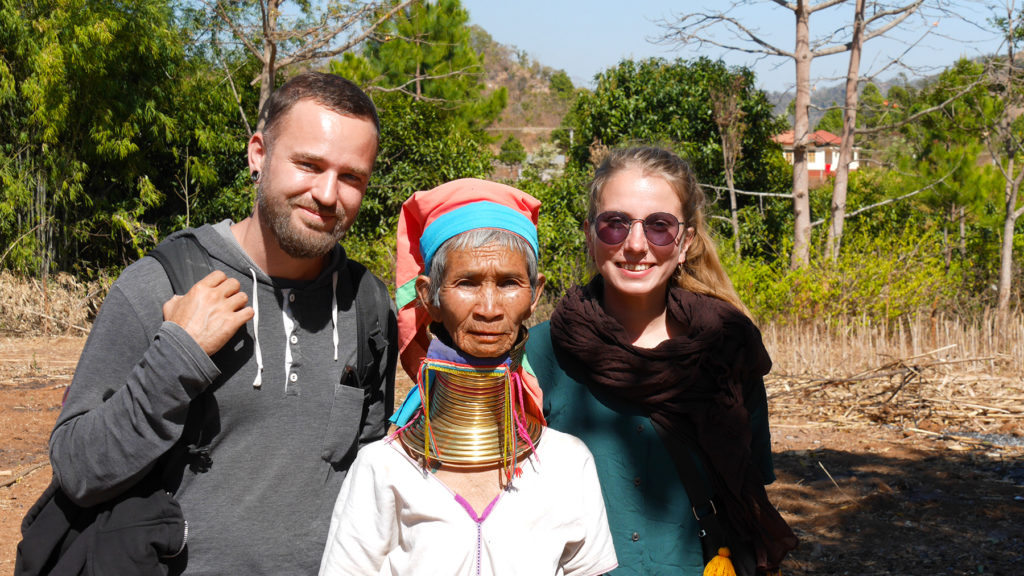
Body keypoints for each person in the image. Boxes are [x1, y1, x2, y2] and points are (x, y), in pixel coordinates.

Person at [47, 72, 396, 574]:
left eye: (351, 177)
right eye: (308, 164)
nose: (326, 193)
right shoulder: (162, 286)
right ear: (258, 154)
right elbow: (78, 470)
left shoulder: (368, 304)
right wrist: (176, 357)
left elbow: (365, 472)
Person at [319, 179, 618, 576]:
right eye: (467, 283)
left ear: (535, 293)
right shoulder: (384, 468)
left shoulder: (566, 464)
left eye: (510, 283)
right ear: (429, 296)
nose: (490, 308)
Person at [525, 147, 797, 575]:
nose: (636, 245)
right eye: (614, 224)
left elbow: (750, 484)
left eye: (659, 227)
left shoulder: (727, 347)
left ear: (685, 242)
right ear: (590, 235)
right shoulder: (540, 354)